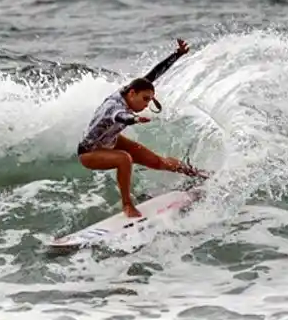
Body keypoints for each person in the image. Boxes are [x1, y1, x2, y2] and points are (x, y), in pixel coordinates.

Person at [77, 38, 206, 218]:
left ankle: (199, 174)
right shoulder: (113, 107)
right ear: (132, 94)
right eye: (145, 99)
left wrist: (177, 55)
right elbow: (120, 117)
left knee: (158, 162)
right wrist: (135, 119)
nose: (147, 104)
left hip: (110, 141)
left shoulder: (130, 90)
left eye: (150, 100)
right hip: (90, 152)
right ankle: (127, 206)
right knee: (124, 158)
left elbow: (153, 74)